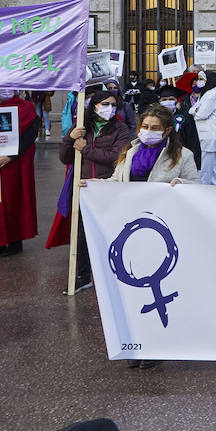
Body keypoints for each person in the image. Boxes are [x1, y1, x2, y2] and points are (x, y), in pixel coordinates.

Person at [104, 103, 199, 369]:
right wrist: (94, 186)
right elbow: (115, 181)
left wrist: (181, 185)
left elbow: (198, 184)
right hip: (130, 231)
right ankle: (134, 343)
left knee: (157, 289)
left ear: (167, 130)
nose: (148, 132)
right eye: (144, 127)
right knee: (132, 291)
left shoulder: (182, 156)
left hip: (162, 232)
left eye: (155, 128)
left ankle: (155, 345)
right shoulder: (130, 151)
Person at [59, 88, 132, 293]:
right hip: (82, 187)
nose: (109, 109)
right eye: (105, 104)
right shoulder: (82, 126)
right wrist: (69, 138)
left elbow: (116, 157)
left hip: (106, 186)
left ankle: (112, 275)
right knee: (81, 234)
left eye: (113, 105)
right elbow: (65, 157)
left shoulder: (121, 129)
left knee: (109, 233)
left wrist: (86, 149)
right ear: (94, 106)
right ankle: (83, 276)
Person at [0, 89, 42, 257]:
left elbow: (30, 134)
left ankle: (14, 241)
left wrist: (11, 156)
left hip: (13, 164)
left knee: (13, 200)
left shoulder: (25, 107)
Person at [189, 70, 216, 186]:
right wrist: (196, 111)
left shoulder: (212, 95)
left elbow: (201, 114)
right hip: (208, 137)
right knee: (215, 169)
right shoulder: (206, 94)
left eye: (201, 79)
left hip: (209, 136)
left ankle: (205, 191)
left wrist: (196, 111)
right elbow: (192, 110)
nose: (199, 82)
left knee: (206, 169)